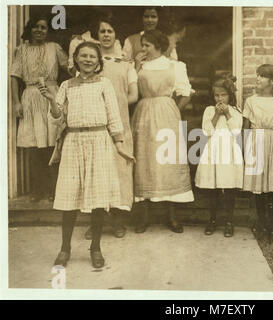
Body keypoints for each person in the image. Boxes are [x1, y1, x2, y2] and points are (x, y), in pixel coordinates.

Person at [39, 41, 134, 268]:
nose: (88, 60)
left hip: (99, 141)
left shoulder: (105, 84)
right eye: (84, 56)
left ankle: (96, 248)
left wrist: (120, 145)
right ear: (76, 59)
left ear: (98, 61)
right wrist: (52, 100)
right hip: (73, 142)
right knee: (69, 197)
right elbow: (56, 116)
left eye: (92, 56)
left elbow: (113, 115)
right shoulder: (66, 85)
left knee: (98, 199)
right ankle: (65, 248)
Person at [132, 30, 193, 234]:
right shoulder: (139, 66)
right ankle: (143, 217)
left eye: (147, 45)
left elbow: (185, 93)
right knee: (144, 161)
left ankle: (172, 216)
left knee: (168, 162)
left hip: (167, 115)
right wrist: (135, 65)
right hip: (143, 114)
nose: (143, 49)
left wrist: (172, 109)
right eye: (142, 44)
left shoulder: (175, 65)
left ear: (158, 46)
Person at [83, 17, 138, 240]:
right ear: (97, 35)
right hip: (96, 126)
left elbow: (134, 95)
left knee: (120, 172)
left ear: (116, 36)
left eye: (110, 31)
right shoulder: (89, 64)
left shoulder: (126, 65)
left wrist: (114, 105)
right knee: (97, 172)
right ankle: (96, 223)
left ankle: (118, 221)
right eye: (102, 31)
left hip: (121, 126)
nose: (106, 35)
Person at [10, 14, 68, 202]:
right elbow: (14, 76)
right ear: (30, 29)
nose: (39, 30)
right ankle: (38, 190)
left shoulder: (54, 48)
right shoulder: (21, 50)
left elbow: (69, 67)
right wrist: (17, 102)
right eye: (36, 27)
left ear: (48, 31)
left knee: (53, 143)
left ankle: (53, 189)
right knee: (34, 146)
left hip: (51, 95)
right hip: (30, 96)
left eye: (43, 27)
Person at [242, 64, 273, 247]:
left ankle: (272, 226)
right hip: (257, 141)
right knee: (259, 188)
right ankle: (262, 225)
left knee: (272, 186)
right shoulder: (251, 101)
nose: (258, 78)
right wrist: (245, 151)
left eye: (262, 76)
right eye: (257, 75)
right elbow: (246, 127)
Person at [195, 75, 243, 237]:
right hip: (213, 150)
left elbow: (236, 131)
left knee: (228, 188)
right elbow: (206, 131)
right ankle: (212, 220)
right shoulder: (209, 110)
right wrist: (216, 115)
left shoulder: (236, 111)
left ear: (230, 95)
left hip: (228, 151)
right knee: (213, 188)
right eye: (217, 95)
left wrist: (228, 114)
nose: (220, 98)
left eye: (223, 95)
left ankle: (229, 222)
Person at [122, 7, 162, 71]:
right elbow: (125, 66)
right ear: (141, 18)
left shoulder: (166, 40)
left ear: (159, 19)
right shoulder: (130, 40)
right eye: (146, 16)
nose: (149, 20)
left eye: (153, 17)